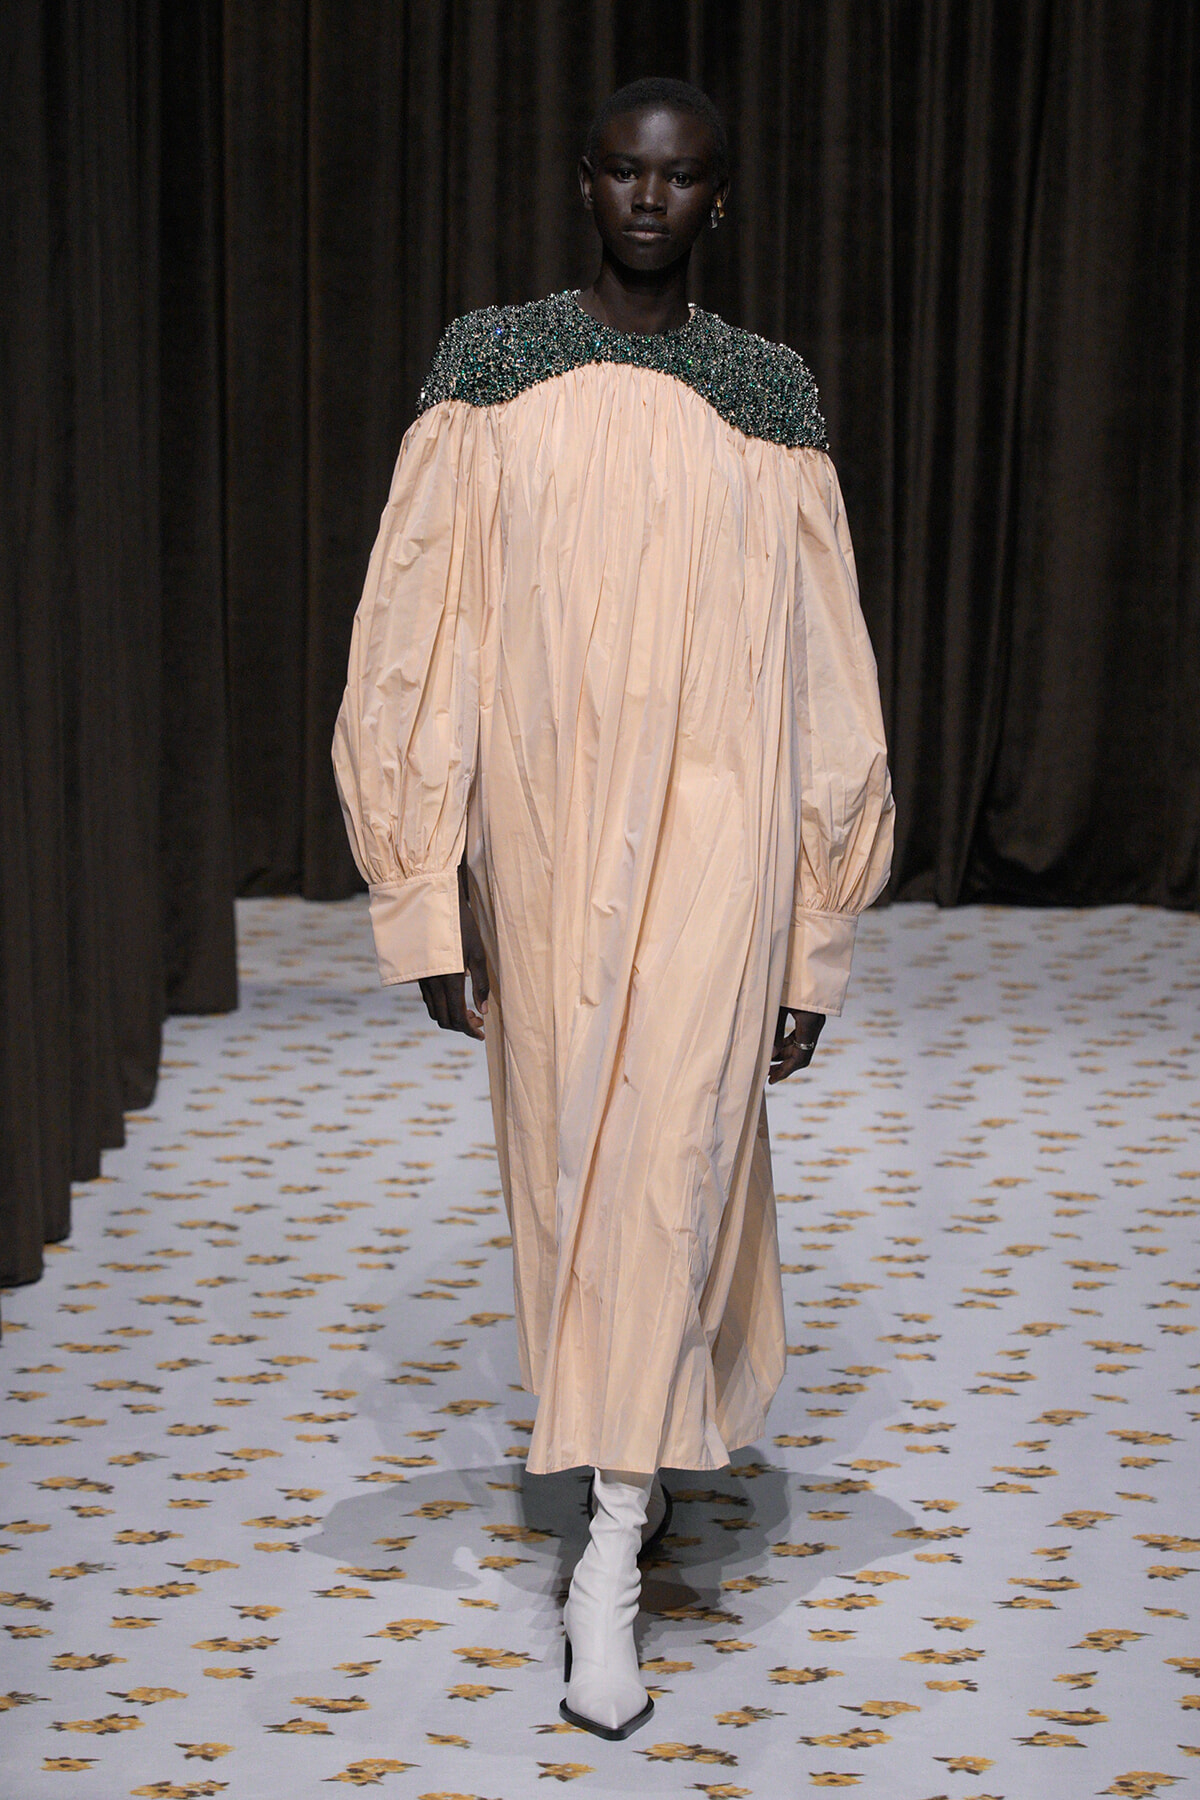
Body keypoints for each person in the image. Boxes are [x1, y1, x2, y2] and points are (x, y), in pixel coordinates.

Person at [333, 77, 894, 1741]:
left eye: (686, 177)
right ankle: (618, 1476)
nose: (652, 198)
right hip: (549, 838)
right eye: (627, 171)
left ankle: (614, 1548)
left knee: (679, 1161)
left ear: (719, 198)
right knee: (574, 1163)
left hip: (722, 843)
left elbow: (827, 674)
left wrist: (812, 926)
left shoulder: (767, 394)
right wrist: (427, 888)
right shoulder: (488, 367)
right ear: (587, 184)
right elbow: (410, 634)